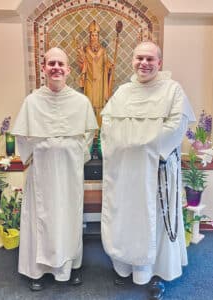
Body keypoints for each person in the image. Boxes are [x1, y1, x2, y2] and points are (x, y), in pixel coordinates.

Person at [100, 41, 196, 300]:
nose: (144, 63)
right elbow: (108, 123)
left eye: (150, 59)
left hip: (157, 170)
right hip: (126, 171)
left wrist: (145, 147)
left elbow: (177, 125)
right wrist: (128, 146)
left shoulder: (173, 91)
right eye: (139, 58)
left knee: (154, 222)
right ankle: (127, 266)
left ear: (159, 63)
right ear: (132, 60)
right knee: (128, 218)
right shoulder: (122, 92)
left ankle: (154, 273)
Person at [12, 47, 98, 291]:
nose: (56, 68)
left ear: (68, 70)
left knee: (69, 217)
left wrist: (73, 155)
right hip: (42, 174)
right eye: (51, 63)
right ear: (43, 69)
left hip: (69, 173)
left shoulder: (81, 102)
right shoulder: (32, 102)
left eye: (61, 64)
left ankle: (71, 268)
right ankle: (37, 271)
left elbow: (88, 135)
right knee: (41, 218)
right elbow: (23, 139)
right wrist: (38, 153)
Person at [77, 20, 113, 126]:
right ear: (90, 37)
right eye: (92, 35)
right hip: (89, 80)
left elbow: (106, 63)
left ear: (98, 37)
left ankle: (100, 127)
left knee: (100, 104)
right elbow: (82, 64)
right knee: (90, 103)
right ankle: (90, 127)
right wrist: (80, 56)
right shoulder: (86, 49)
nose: (94, 37)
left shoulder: (103, 50)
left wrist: (110, 66)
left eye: (96, 35)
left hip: (101, 82)